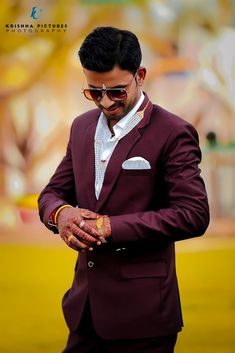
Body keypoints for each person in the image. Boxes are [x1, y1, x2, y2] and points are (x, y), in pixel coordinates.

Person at [38, 26, 210, 353]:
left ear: (140, 75)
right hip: (84, 311)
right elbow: (52, 194)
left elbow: (194, 214)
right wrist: (62, 214)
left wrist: (109, 226)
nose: (105, 101)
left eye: (116, 91)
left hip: (143, 317)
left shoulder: (173, 132)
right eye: (93, 91)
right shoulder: (81, 127)